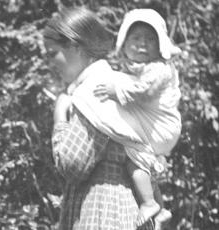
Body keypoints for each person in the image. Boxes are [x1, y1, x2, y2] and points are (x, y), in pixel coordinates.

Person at [69, 9, 182, 229]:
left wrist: (116, 91)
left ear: (160, 45)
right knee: (143, 159)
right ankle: (159, 208)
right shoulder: (134, 68)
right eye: (136, 38)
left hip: (162, 125)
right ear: (124, 42)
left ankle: (150, 202)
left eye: (150, 39)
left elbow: (145, 91)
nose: (143, 44)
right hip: (156, 125)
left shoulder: (159, 68)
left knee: (133, 154)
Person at [44, 7, 154, 230]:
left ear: (75, 47)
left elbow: (72, 165)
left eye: (52, 52)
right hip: (122, 207)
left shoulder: (94, 91)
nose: (50, 61)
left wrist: (59, 118)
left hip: (102, 210)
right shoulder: (110, 83)